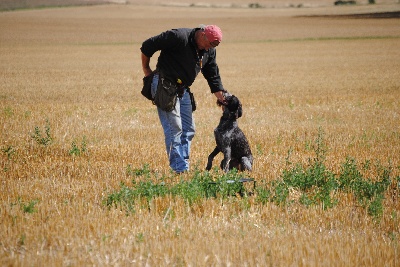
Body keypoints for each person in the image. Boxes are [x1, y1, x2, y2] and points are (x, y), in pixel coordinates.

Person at [140, 24, 226, 173]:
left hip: (182, 88)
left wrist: (222, 98)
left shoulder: (209, 50)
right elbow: (147, 46)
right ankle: (179, 170)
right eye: (210, 44)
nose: (209, 49)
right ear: (203, 35)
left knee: (188, 129)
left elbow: (212, 75)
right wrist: (146, 70)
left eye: (213, 46)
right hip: (164, 85)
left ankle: (183, 164)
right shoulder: (178, 37)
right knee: (175, 128)